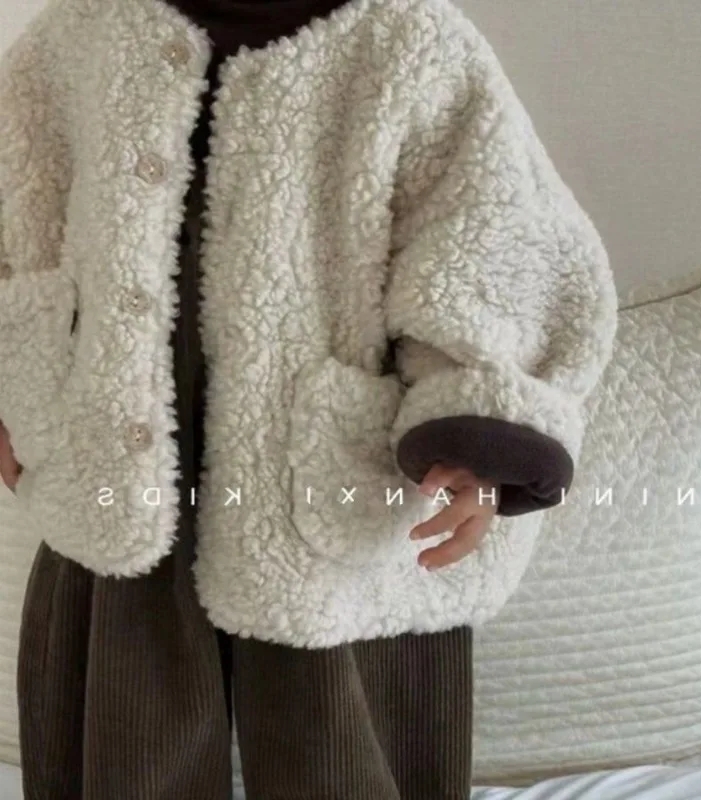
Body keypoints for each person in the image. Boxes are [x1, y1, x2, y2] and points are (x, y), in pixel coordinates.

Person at [0, 0, 618, 797]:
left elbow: (494, 232)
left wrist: (479, 420)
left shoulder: (408, 39)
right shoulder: (82, 30)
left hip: (343, 468)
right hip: (113, 447)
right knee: (122, 726)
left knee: (345, 732)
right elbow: (19, 197)